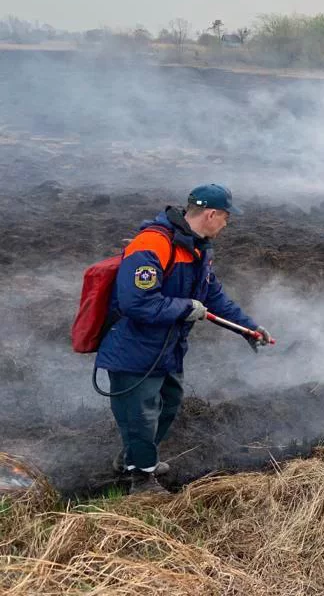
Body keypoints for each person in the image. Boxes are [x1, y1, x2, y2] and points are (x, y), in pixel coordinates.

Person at [96, 184, 273, 494]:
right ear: (211, 214)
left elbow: (214, 296)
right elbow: (135, 302)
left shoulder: (196, 249)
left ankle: (134, 459)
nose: (226, 224)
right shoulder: (152, 245)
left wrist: (248, 328)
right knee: (140, 414)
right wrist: (185, 307)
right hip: (135, 349)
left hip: (166, 348)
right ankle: (141, 479)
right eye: (226, 217)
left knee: (169, 403)